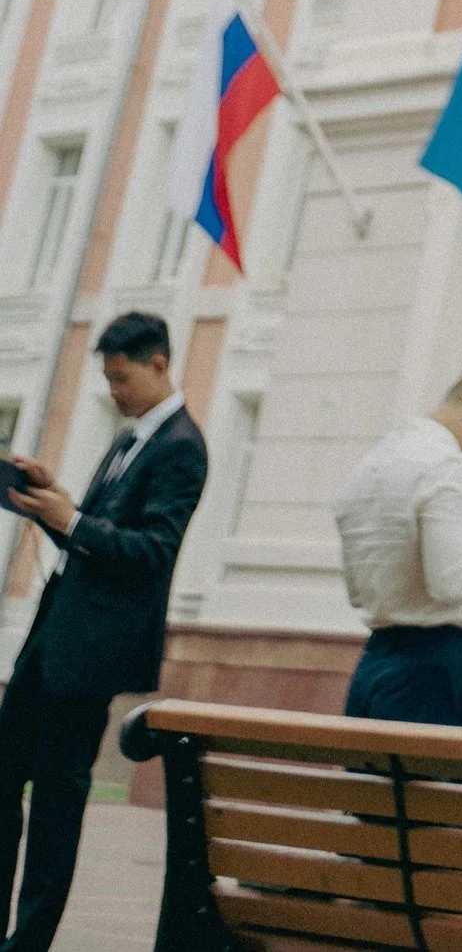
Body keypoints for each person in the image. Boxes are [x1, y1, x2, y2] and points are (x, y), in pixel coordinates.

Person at [0, 308, 207, 952]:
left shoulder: (182, 447)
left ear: (158, 364)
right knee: (4, 780)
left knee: (59, 802)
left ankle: (28, 942)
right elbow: (92, 533)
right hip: (51, 639)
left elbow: (151, 553)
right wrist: (50, 501)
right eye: (107, 380)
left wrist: (73, 521)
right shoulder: (126, 440)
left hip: (90, 656)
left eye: (121, 379)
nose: (113, 392)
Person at [332, 366, 462, 726]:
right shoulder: (445, 468)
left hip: (375, 658)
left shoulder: (371, 464)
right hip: (433, 668)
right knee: (428, 782)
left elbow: (358, 593)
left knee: (368, 781)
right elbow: (449, 582)